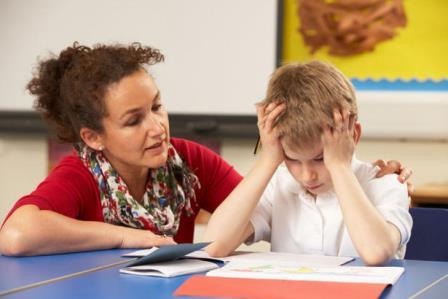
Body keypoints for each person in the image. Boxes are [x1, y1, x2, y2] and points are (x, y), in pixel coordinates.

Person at [0, 43, 410, 257]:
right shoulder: (81, 174)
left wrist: (342, 168)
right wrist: (130, 237)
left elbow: (239, 213)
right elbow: (17, 233)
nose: (157, 127)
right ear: (94, 137)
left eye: (157, 107)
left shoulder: (188, 161)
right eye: (133, 120)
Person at [204, 61, 412, 266]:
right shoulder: (278, 186)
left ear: (352, 135)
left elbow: (376, 253)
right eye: (292, 159)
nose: (307, 176)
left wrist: (338, 166)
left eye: (320, 158)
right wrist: (268, 159)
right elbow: (212, 246)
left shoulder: (386, 183)